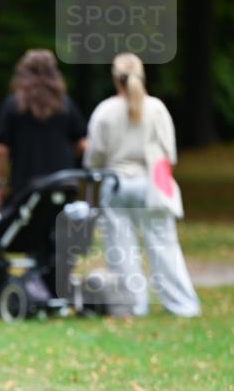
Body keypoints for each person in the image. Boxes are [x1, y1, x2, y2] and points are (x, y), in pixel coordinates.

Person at [84, 52, 200, 317]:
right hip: (152, 184)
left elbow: (94, 158)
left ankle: (133, 305)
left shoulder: (104, 111)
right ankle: (182, 304)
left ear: (115, 79)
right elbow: (169, 155)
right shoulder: (157, 109)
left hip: (116, 185)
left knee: (121, 249)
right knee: (164, 245)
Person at [0, 49, 86, 208]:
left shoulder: (13, 105)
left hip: (24, 185)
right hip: (62, 182)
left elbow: (0, 149)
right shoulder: (65, 105)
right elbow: (82, 144)